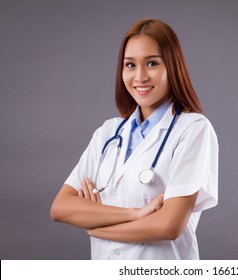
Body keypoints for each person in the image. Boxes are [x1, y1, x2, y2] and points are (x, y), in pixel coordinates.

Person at [50, 18, 218, 260]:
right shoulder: (108, 133)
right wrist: (137, 214)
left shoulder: (193, 130)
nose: (140, 76)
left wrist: (97, 224)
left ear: (172, 66)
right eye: (130, 65)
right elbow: (61, 208)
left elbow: (168, 226)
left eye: (151, 63)